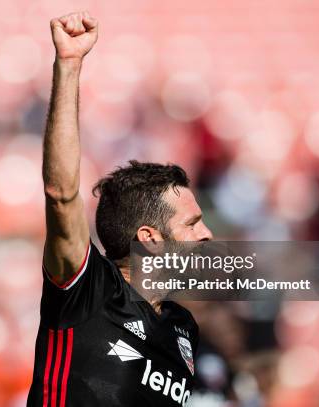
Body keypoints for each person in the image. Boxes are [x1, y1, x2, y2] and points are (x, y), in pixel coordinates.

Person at [27, 11, 213, 407]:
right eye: (192, 224)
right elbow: (60, 192)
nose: (207, 234)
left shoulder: (183, 328)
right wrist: (69, 65)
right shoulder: (88, 289)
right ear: (150, 239)